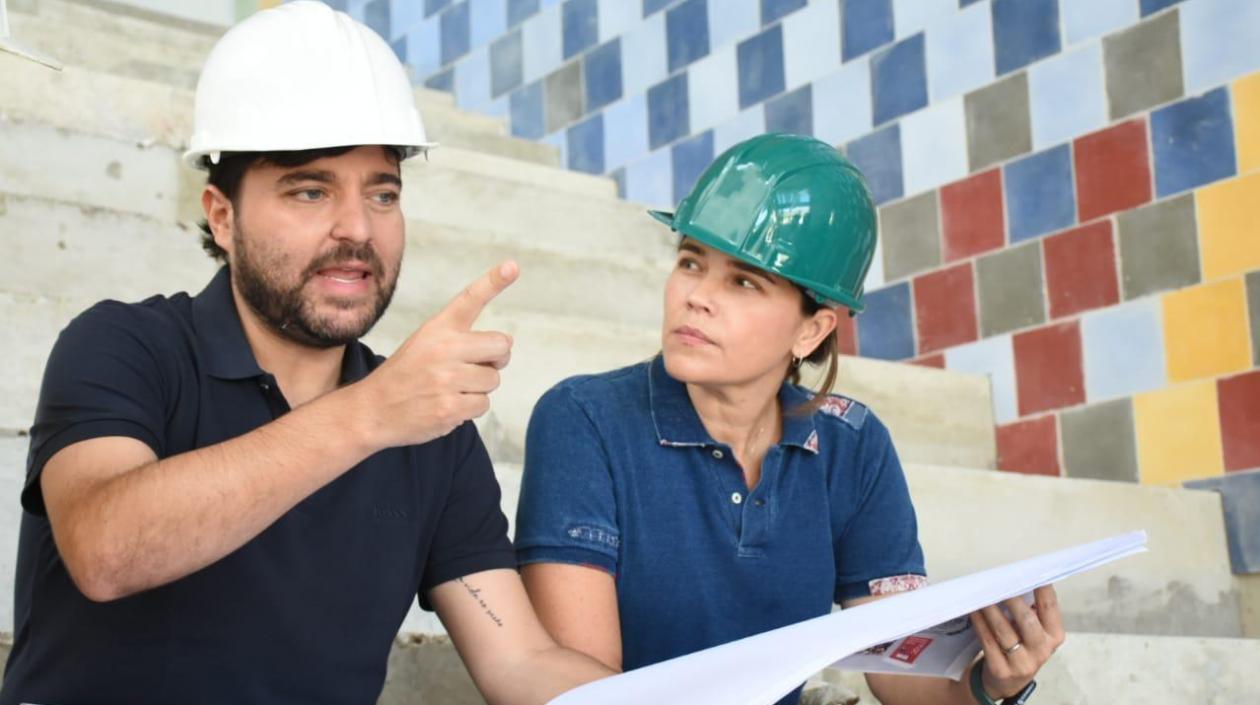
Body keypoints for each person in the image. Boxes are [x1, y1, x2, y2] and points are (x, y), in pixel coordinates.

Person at [0, 3, 612, 704]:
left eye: (383, 193)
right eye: (311, 189)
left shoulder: (433, 436)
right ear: (222, 216)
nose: (356, 227)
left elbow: (522, 661)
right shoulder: (124, 347)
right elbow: (106, 549)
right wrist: (369, 415)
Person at [515, 134, 1063, 705]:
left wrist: (988, 682)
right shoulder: (585, 420)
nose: (696, 297)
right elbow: (583, 687)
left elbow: (901, 674)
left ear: (812, 330)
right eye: (690, 262)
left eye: (744, 281)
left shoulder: (853, 444)